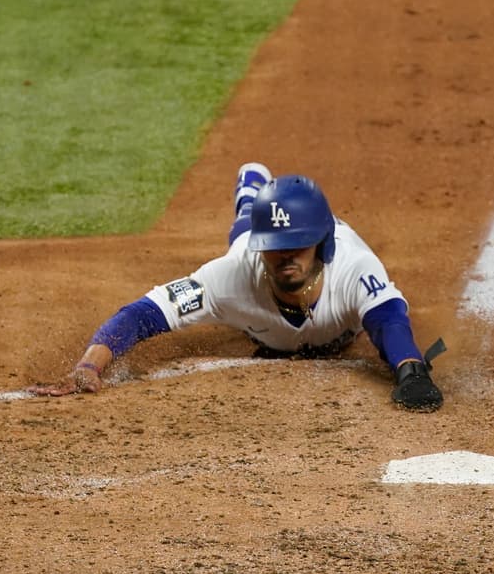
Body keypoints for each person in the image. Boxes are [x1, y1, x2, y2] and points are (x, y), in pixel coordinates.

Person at [29, 163, 445, 411]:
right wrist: (89, 365)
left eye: (297, 245)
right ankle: (250, 205)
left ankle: (251, 196)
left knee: (248, 231)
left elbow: (389, 320)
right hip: (244, 251)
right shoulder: (232, 274)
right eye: (275, 247)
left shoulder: (354, 267)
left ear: (321, 241)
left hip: (331, 293)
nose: (286, 257)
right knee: (242, 237)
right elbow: (143, 314)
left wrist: (409, 369)